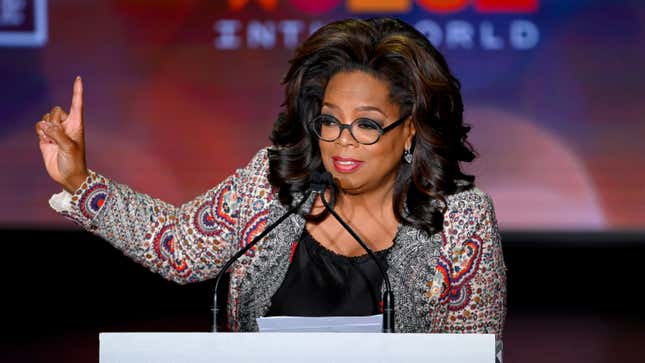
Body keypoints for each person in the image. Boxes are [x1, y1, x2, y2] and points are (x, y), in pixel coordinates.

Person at [35, 17, 506, 361]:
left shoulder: (459, 219)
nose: (342, 140)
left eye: (367, 124)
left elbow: (471, 354)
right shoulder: (275, 185)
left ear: (410, 132)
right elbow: (176, 247)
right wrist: (78, 180)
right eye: (330, 121)